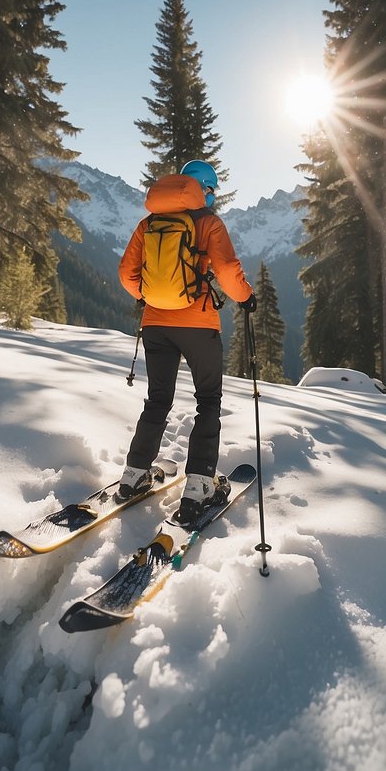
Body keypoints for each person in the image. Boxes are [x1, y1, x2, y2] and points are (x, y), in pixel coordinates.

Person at [116, 159, 256, 525]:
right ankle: (198, 485)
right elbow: (227, 270)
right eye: (211, 190)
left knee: (158, 399)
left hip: (156, 325)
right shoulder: (209, 222)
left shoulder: (148, 224)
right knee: (207, 400)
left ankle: (133, 475)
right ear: (204, 189)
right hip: (198, 325)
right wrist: (245, 297)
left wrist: (148, 296)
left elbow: (126, 274)